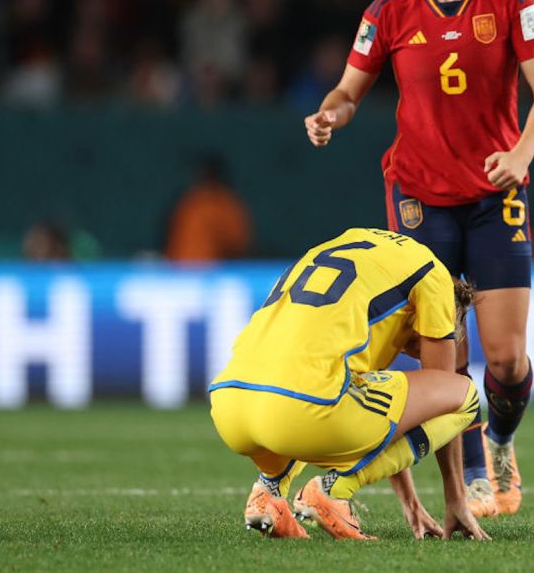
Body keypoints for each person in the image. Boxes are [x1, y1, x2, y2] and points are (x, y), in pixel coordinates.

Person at [304, 0, 534, 518]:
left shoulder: (511, 0)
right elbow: (347, 92)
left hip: (496, 192)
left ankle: (500, 441)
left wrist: (522, 155)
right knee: (450, 347)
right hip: (418, 196)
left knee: (506, 356)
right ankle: (471, 475)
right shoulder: (387, 10)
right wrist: (330, 114)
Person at [209, 227, 489, 541]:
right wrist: (455, 499)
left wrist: (411, 503)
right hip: (301, 413)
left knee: (333, 383)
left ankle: (269, 493)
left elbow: (395, 416)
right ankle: (334, 489)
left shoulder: (353, 249)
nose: (414, 351)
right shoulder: (433, 275)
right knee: (464, 393)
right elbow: (443, 393)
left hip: (229, 406)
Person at [165, 154, 251, 262]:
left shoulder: (223, 203)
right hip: (181, 270)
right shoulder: (190, 199)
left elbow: (238, 243)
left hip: (210, 271)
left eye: (203, 170)